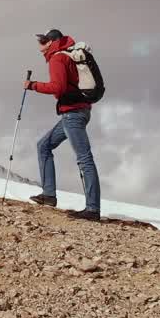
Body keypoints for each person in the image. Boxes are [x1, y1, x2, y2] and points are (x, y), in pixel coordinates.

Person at [24, 29, 101, 221]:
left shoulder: (58, 58)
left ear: (52, 42)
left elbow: (57, 87)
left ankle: (92, 209)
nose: (40, 46)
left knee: (84, 158)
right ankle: (49, 195)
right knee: (44, 145)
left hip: (72, 113)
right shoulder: (68, 55)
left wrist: (32, 85)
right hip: (78, 111)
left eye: (42, 41)